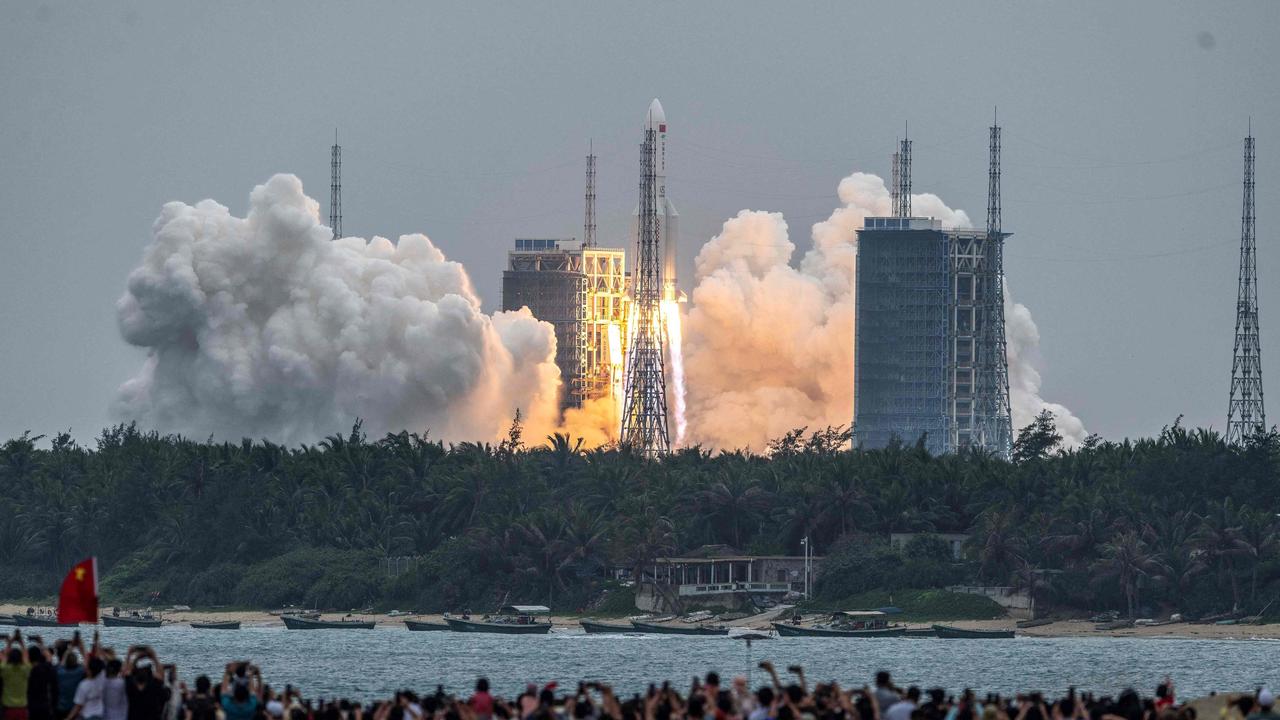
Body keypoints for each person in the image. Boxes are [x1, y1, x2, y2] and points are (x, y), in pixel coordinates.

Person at [123, 649, 167, 720]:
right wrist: (154, 657)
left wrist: (135, 658)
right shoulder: (154, 688)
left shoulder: (130, 688)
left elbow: (126, 673)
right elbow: (160, 677)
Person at [2, 629, 33, 720]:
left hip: (8, 708)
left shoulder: (5, 669)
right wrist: (21, 642)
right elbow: (26, 656)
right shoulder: (26, 669)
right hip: (22, 709)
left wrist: (10, 642)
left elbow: (4, 657)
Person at [26, 641, 58, 720]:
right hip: (44, 707)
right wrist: (41, 643)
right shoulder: (45, 670)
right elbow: (49, 660)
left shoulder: (27, 670)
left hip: (30, 707)